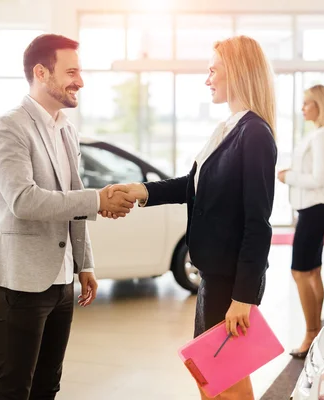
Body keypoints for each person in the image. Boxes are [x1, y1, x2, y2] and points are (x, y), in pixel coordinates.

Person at [102, 35, 277, 400]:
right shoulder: (229, 127)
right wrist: (144, 191)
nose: (207, 78)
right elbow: (194, 185)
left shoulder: (255, 134)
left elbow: (258, 223)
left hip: (230, 283)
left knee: (220, 382)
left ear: (238, 72)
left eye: (213, 69)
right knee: (215, 378)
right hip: (212, 276)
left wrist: (243, 297)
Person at [0, 33, 135, 400]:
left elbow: (71, 194)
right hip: (19, 282)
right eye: (72, 71)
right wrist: (97, 199)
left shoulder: (66, 128)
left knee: (48, 385)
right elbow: (25, 201)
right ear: (41, 72)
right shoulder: (9, 127)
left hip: (61, 279)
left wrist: (85, 263)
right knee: (14, 388)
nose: (80, 81)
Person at [277, 84, 324, 359]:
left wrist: (288, 176)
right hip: (312, 209)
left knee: (300, 272)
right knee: (312, 271)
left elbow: (320, 179)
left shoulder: (323, 136)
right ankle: (316, 329)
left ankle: (311, 333)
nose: (302, 108)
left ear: (319, 106)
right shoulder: (318, 134)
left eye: (307, 104)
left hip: (315, 210)